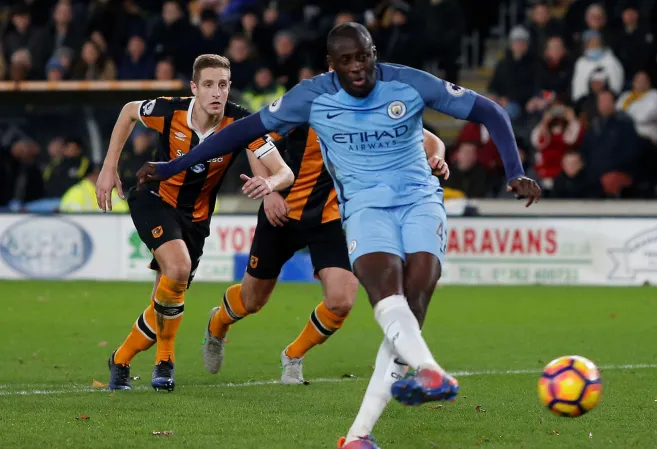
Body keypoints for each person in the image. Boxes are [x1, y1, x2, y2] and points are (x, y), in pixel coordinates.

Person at [136, 23, 540, 448]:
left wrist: (513, 171)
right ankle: (423, 372)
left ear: (374, 53)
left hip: (408, 202)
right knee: (293, 297)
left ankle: (360, 427)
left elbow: (485, 114)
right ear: (332, 66)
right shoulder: (309, 98)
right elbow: (245, 133)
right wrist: (172, 167)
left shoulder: (408, 84)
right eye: (346, 61)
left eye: (364, 57)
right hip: (333, 209)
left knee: (405, 299)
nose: (358, 68)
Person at [96, 54, 295, 392]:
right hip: (154, 199)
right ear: (194, 88)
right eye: (208, 85)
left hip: (197, 219)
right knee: (177, 268)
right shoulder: (170, 111)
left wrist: (270, 185)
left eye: (223, 85)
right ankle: (165, 363)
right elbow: (130, 109)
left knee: (164, 300)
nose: (216, 92)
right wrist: (108, 166)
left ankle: (121, 359)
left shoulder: (241, 123)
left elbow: (284, 172)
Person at [201, 126, 448, 385]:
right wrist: (270, 193)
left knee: (341, 301)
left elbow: (433, 142)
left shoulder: (377, 111)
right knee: (252, 301)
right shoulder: (306, 107)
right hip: (282, 212)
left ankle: (293, 355)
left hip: (332, 219)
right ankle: (217, 323)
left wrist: (437, 159)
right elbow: (255, 140)